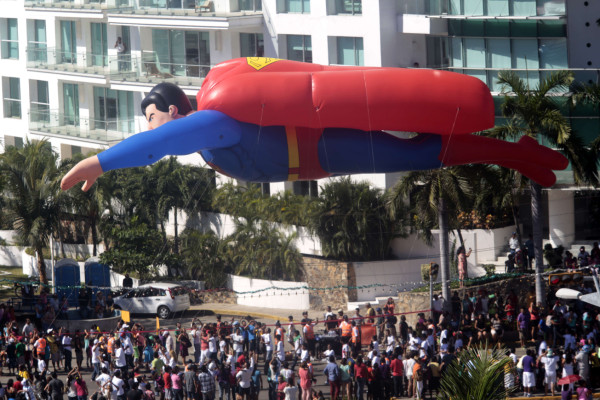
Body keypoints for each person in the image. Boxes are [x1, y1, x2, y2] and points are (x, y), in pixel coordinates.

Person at [61, 59, 568, 194]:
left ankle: (513, 151)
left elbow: (157, 147)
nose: (153, 129)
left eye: (153, 118)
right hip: (322, 162)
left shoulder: (212, 123)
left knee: (414, 154)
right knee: (415, 156)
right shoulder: (208, 138)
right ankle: (514, 152)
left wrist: (99, 162)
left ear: (173, 110)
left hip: (324, 146)